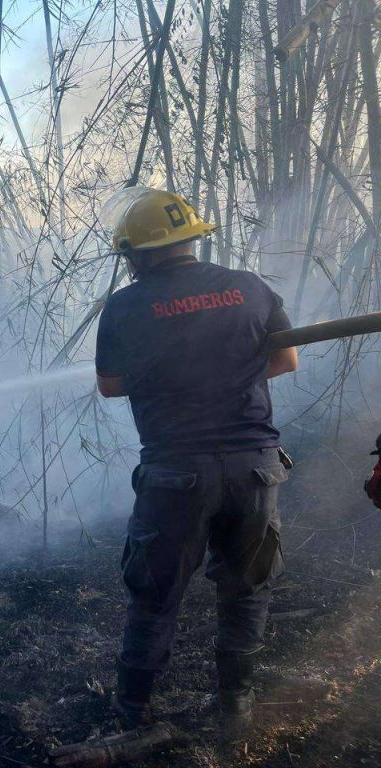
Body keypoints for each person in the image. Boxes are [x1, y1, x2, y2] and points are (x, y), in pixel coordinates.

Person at [94, 188, 299, 739]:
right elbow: (286, 358)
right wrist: (227, 375)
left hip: (175, 473)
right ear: (190, 239)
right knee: (247, 590)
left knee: (154, 594)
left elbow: (110, 385)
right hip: (255, 468)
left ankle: (132, 712)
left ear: (139, 254)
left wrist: (177, 378)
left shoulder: (126, 305)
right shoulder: (249, 287)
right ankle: (235, 709)